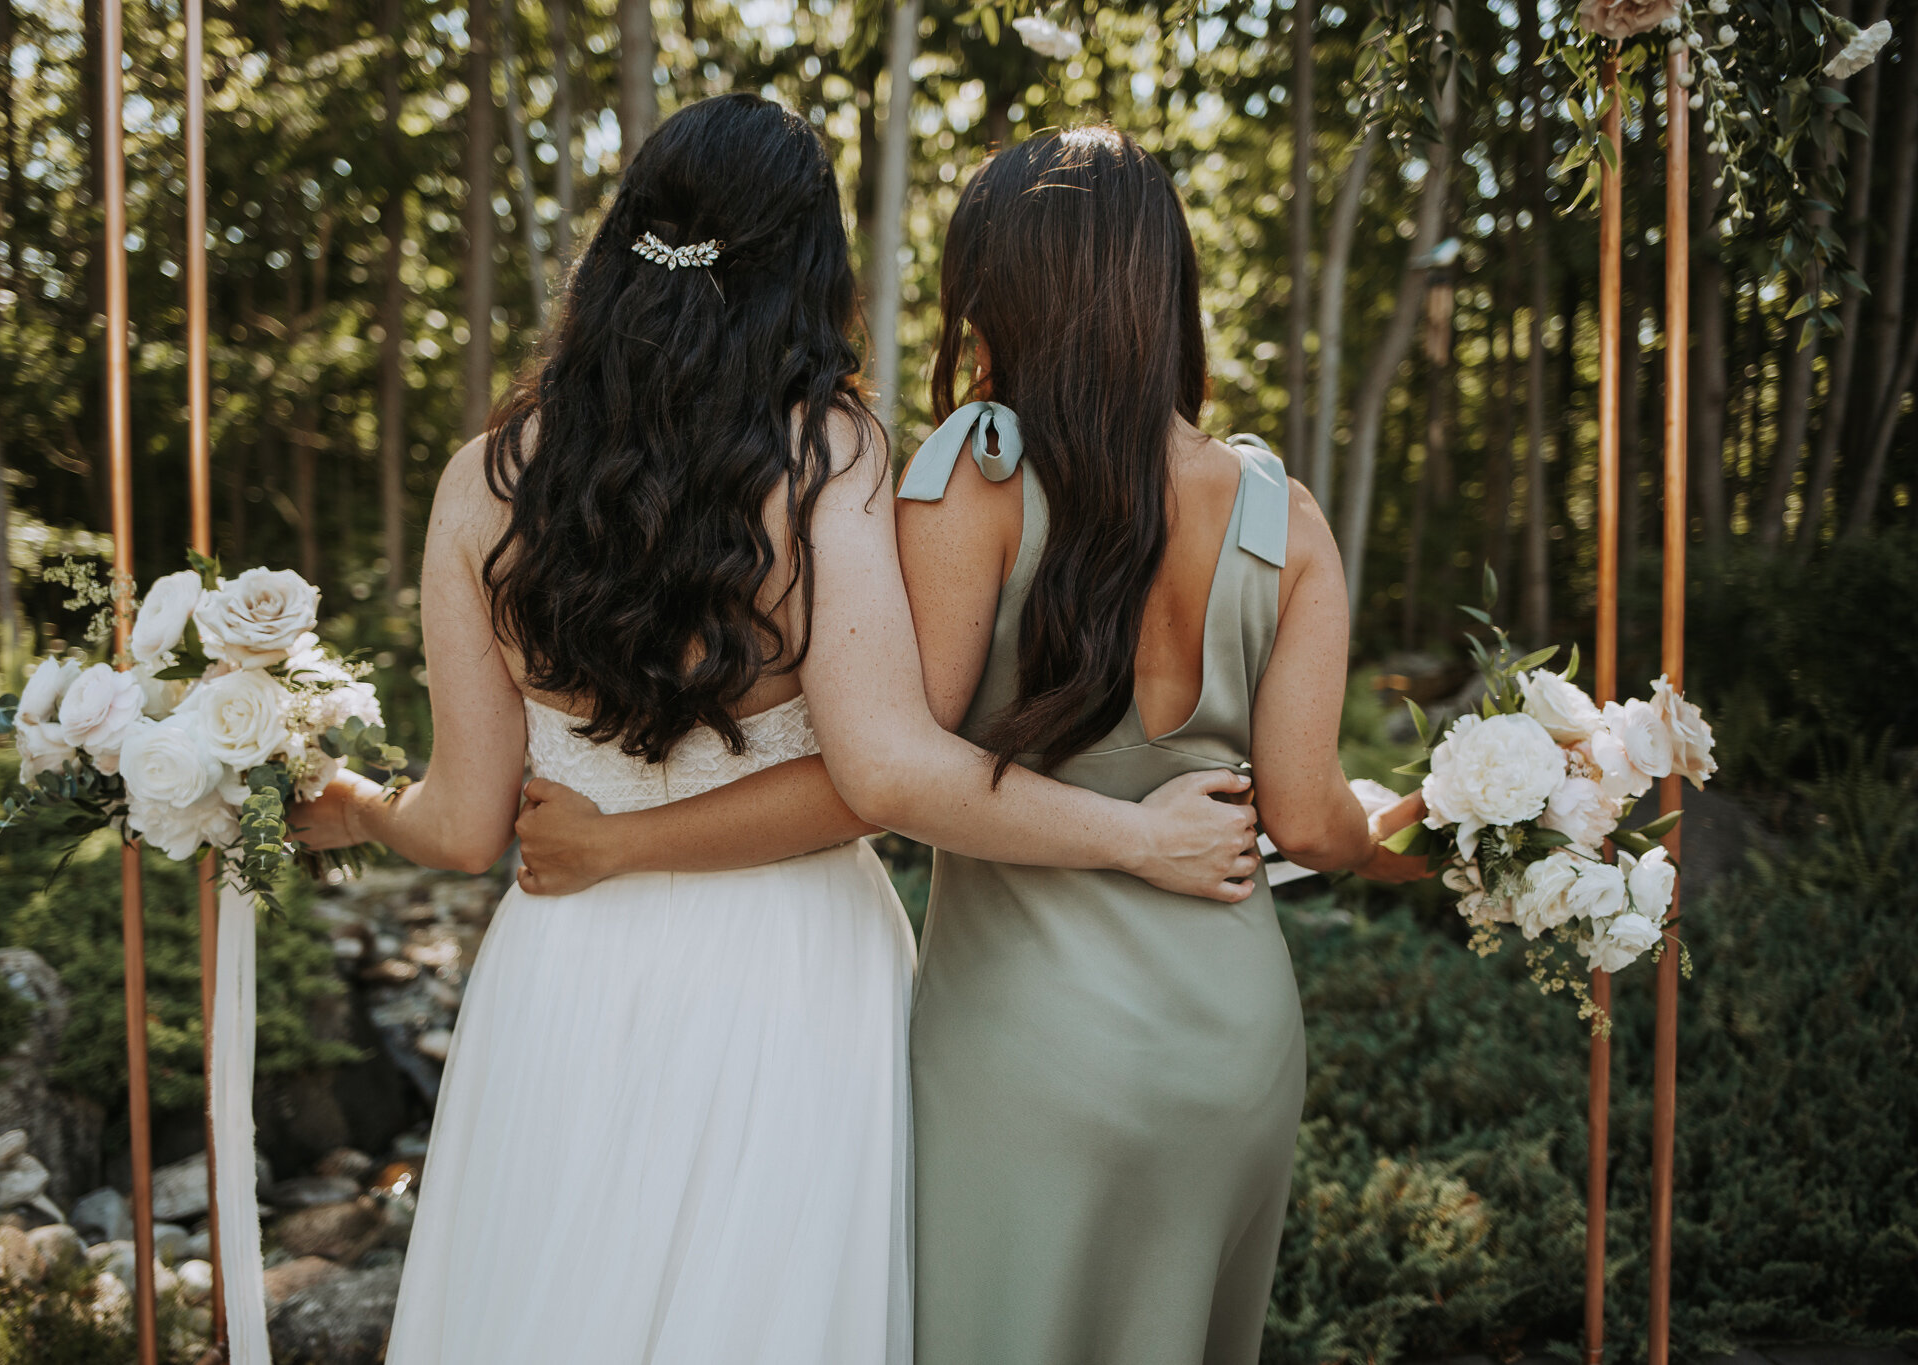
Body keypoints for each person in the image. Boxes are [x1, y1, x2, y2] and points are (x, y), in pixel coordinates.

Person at [296, 95, 1259, 1365]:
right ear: (810, 269)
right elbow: (877, 779)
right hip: (789, 974)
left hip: (566, 967)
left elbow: (465, 821)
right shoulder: (828, 457)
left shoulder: (483, 482)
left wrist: (342, 802)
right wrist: (1135, 835)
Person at [513, 124, 1427, 1365]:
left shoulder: (975, 468)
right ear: (1167, 288)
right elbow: (1318, 823)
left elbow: (889, 768)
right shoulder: (1283, 512)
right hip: (1235, 1041)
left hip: (1027, 1044)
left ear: (991, 291)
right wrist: (1464, 833)